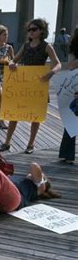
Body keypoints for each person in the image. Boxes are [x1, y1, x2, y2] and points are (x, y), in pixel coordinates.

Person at [0, 18, 61, 154]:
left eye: (34, 29)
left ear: (41, 31)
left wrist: (51, 73)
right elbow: (13, 60)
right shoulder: (26, 46)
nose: (31, 32)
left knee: (35, 116)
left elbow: (58, 64)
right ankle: (7, 142)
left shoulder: (46, 46)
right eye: (29, 30)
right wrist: (11, 64)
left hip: (38, 86)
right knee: (14, 114)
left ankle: (31, 144)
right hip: (23, 86)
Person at [58, 27, 78, 164]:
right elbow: (71, 65)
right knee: (72, 119)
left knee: (72, 119)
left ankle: (67, 153)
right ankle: (67, 154)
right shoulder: (74, 49)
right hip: (75, 85)